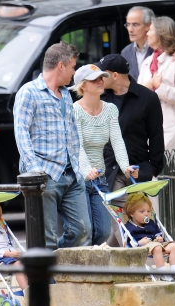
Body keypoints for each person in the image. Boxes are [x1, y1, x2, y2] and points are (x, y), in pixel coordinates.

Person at [13, 41, 91, 250]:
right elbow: (21, 133)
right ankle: (47, 279)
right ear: (61, 66)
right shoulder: (28, 92)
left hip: (71, 174)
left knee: (82, 230)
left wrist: (78, 167)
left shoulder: (65, 94)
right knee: (45, 238)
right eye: (73, 67)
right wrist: (36, 171)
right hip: (45, 174)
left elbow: (72, 134)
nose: (74, 73)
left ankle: (51, 262)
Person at [69, 64, 138, 245]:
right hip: (79, 179)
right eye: (95, 79)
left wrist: (126, 167)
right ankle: (70, 261)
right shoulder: (74, 111)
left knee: (103, 231)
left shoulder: (110, 109)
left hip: (100, 178)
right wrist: (86, 170)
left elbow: (117, 141)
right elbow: (77, 146)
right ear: (83, 86)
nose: (101, 81)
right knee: (85, 231)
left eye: (102, 77)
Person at [96, 54, 164, 205]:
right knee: (119, 224)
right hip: (108, 173)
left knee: (139, 223)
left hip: (138, 173)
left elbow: (156, 137)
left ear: (114, 75)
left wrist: (151, 170)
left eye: (102, 74)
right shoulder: (98, 98)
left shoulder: (148, 98)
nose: (98, 78)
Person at [137, 16, 175, 151]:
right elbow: (137, 95)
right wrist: (148, 86)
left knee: (171, 170)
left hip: (172, 129)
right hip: (149, 129)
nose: (147, 33)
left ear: (161, 33)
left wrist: (160, 87)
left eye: (150, 30)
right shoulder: (147, 62)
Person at [121, 6, 175, 81]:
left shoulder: (163, 47)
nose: (130, 29)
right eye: (128, 24)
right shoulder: (126, 52)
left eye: (135, 24)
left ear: (148, 26)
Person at [124, 193, 175, 282]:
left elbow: (158, 233)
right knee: (157, 247)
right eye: (142, 212)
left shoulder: (151, 223)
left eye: (148, 211)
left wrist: (159, 238)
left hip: (156, 245)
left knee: (174, 246)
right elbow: (127, 243)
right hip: (141, 248)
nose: (146, 214)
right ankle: (163, 274)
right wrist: (140, 242)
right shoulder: (129, 227)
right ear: (132, 213)